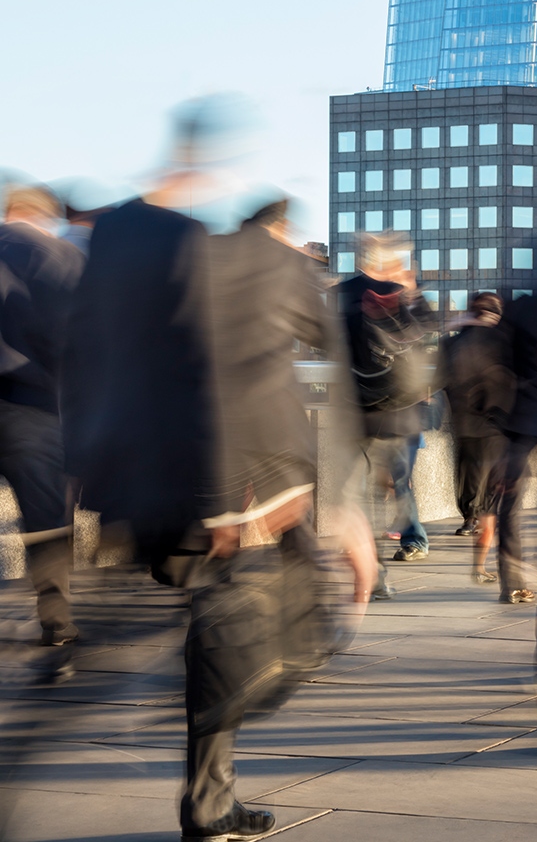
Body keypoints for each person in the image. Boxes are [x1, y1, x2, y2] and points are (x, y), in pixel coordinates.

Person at [63, 97, 375, 842]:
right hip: (239, 489)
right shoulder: (260, 261)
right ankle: (211, 774)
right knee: (268, 629)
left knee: (212, 621)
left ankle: (208, 787)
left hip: (148, 481)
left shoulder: (118, 246)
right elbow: (322, 371)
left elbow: (83, 362)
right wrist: (344, 508)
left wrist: (90, 468)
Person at [0, 184, 85, 661]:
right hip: (33, 406)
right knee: (47, 517)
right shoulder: (60, 257)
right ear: (44, 216)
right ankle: (56, 619)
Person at [339, 232, 438, 575]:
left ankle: (411, 541)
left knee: (394, 480)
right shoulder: (350, 291)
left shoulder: (399, 290)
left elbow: (427, 329)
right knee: (365, 485)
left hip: (397, 406)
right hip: (367, 404)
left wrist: (410, 292)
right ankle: (374, 561)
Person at [439, 292, 519, 581]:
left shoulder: (450, 343)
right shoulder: (503, 341)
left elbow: (440, 382)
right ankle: (481, 565)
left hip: (463, 429)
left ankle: (469, 523)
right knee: (493, 503)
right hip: (495, 431)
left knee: (471, 492)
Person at [487, 287, 537, 603]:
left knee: (511, 499)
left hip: (522, 415)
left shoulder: (518, 311)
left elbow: (499, 364)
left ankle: (511, 582)